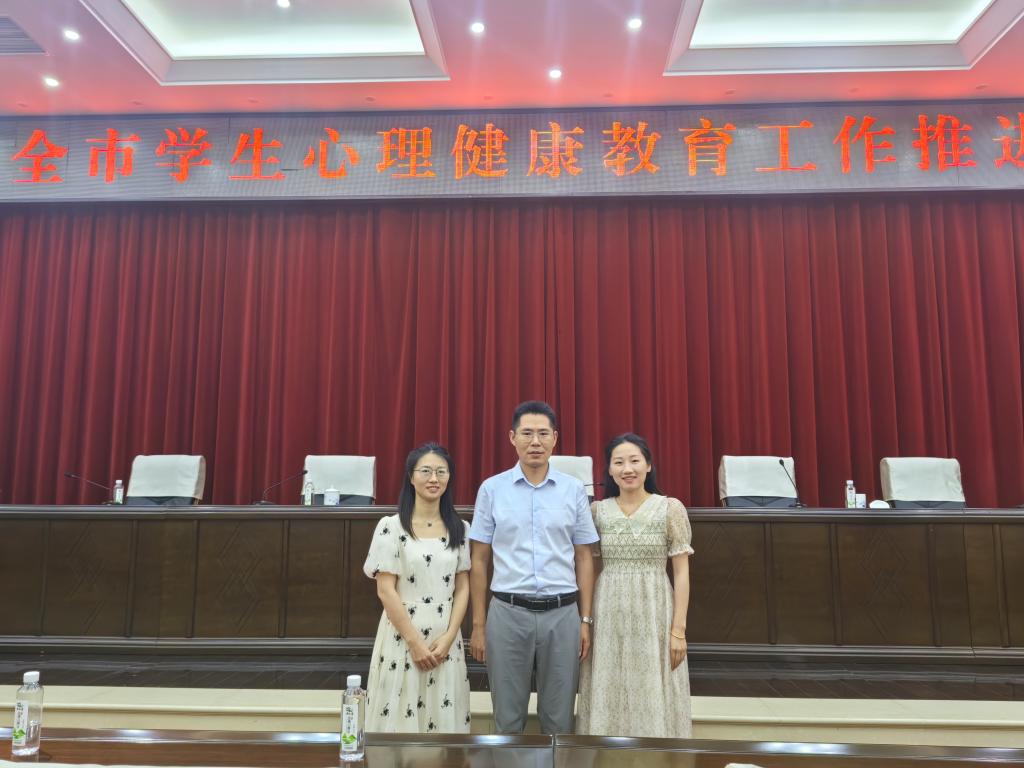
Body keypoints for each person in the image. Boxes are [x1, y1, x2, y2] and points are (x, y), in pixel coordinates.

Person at [469, 400, 598, 734]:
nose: (535, 441)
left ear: (555, 438)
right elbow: (479, 560)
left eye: (543, 433)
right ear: (512, 438)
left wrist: (585, 620)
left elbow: (584, 557)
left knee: (559, 720)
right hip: (508, 613)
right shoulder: (492, 489)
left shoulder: (573, 490)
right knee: (507, 719)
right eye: (527, 433)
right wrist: (479, 625)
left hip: (563, 614)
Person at [576, 432, 694, 738]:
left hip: (655, 610)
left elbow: (681, 572)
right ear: (609, 469)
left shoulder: (670, 509)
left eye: (634, 461)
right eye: (618, 462)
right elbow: (591, 568)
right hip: (608, 611)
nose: (627, 469)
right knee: (609, 681)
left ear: (648, 465)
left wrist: (678, 630)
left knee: (653, 683)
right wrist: (586, 621)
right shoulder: (597, 512)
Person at [363, 442, 471, 733]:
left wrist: (449, 637)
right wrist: (415, 643)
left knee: (443, 718)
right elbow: (385, 590)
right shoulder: (391, 526)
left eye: (441, 472)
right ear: (411, 477)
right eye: (425, 471)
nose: (434, 478)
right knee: (398, 716)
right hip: (402, 637)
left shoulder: (460, 529)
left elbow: (463, 588)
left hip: (445, 638)